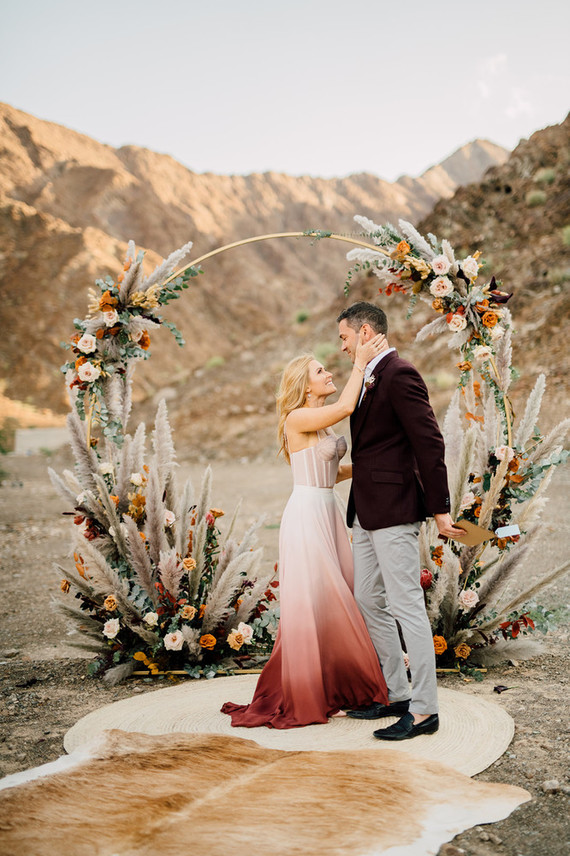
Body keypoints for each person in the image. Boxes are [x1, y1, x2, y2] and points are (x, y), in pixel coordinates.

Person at [221, 331, 390, 728]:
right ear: (304, 384)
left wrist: (383, 468)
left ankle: (335, 680)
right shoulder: (297, 418)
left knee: (339, 593)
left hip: (327, 509)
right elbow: (349, 404)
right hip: (306, 515)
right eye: (320, 370)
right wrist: (361, 362)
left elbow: (333, 472)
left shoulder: (322, 426)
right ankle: (314, 686)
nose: (328, 372)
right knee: (324, 598)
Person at [337, 301, 464, 741]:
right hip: (366, 509)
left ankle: (426, 712)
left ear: (366, 331)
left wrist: (441, 509)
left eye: (345, 338)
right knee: (368, 598)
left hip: (395, 509)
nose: (342, 347)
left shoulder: (400, 373)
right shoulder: (366, 378)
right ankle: (397, 695)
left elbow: (429, 442)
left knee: (406, 604)